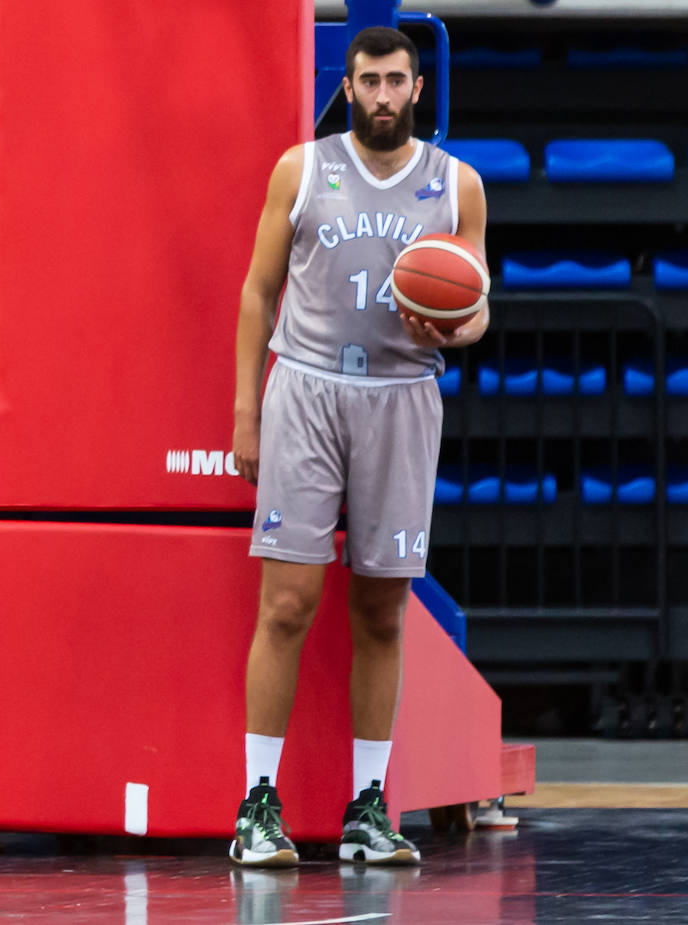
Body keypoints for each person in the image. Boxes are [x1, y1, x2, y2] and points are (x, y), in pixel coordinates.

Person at [228, 27, 488, 867]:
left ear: (419, 89)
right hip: (305, 389)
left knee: (382, 612)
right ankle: (256, 804)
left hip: (403, 397)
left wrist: (455, 320)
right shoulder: (302, 168)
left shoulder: (458, 186)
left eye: (395, 81)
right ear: (347, 86)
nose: (381, 95)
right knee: (287, 604)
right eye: (367, 80)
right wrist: (244, 410)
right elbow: (257, 292)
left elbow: (477, 306)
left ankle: (368, 808)